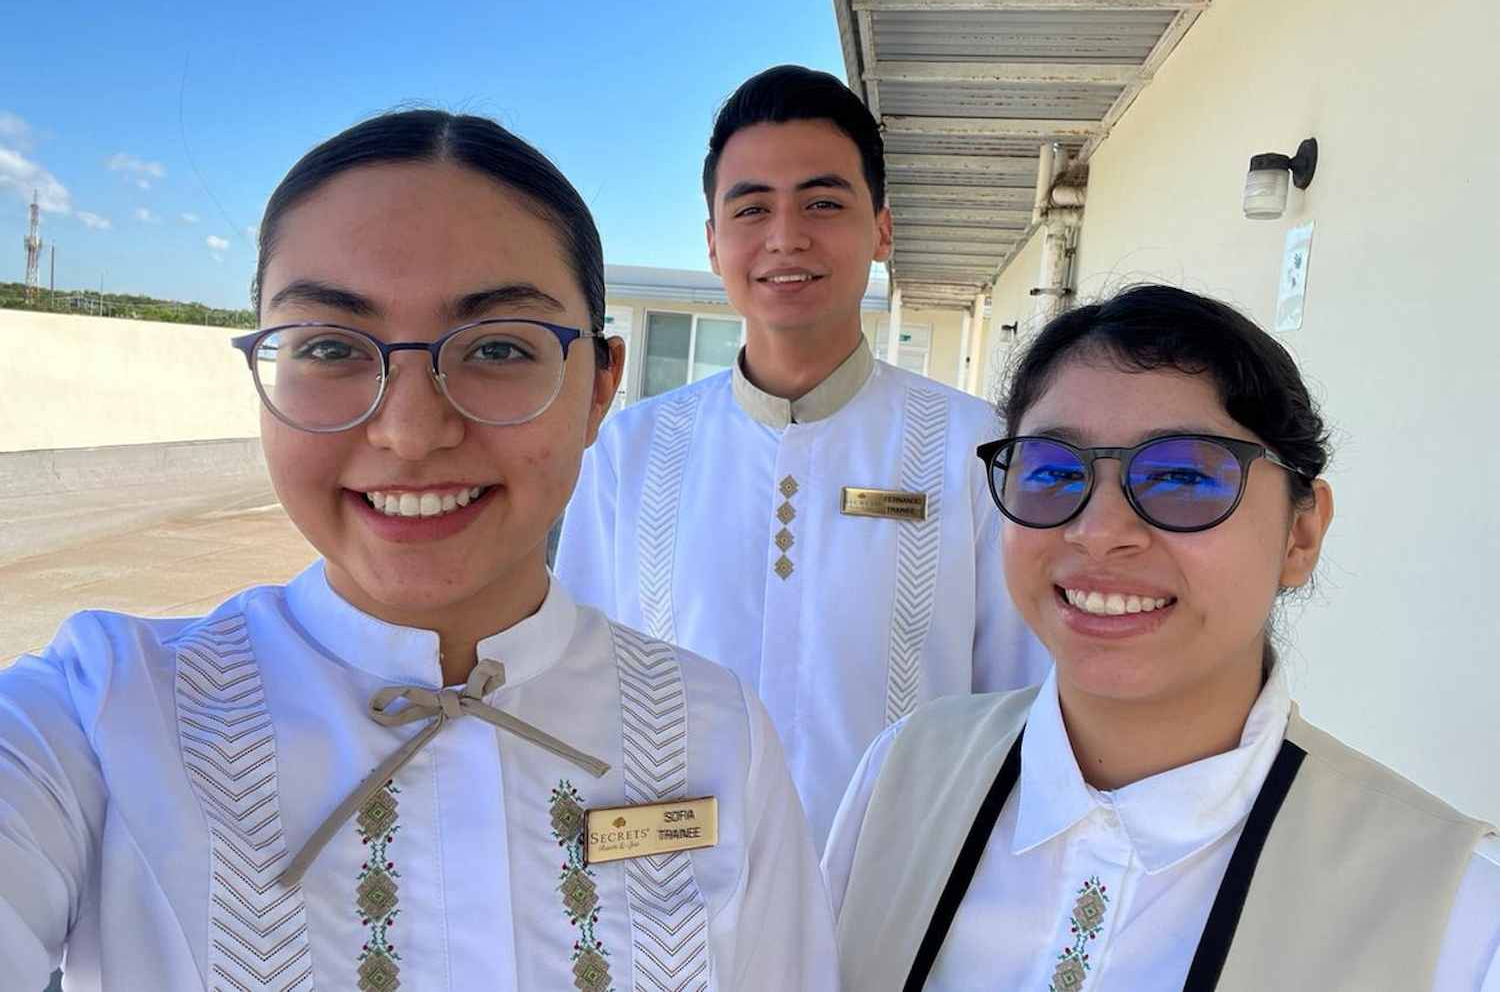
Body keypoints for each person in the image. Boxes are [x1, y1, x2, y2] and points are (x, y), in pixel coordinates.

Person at [0, 110, 838, 990]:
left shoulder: (718, 735)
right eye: (331, 346)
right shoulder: (99, 720)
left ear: (600, 387)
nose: (408, 431)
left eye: (498, 347)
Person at [824, 285, 1499, 990]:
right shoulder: (904, 776)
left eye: (1181, 475)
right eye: (1052, 470)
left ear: (1300, 534)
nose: (1099, 532)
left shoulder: (1459, 915)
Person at [555, 65, 1048, 847]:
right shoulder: (630, 450)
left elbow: (1022, 701)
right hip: (679, 891)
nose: (786, 236)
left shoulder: (975, 450)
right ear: (713, 241)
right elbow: (578, 684)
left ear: (881, 229)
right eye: (752, 207)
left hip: (897, 885)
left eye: (823, 202)